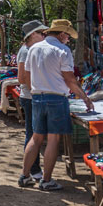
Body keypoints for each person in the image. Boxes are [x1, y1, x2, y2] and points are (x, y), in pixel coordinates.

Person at [17, 20, 93, 191]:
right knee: (53, 139)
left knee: (36, 138)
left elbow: (27, 78)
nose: (68, 39)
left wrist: (37, 90)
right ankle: (46, 180)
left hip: (37, 97)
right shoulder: (62, 50)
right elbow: (70, 79)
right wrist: (85, 98)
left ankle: (24, 176)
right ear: (61, 34)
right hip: (57, 99)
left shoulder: (34, 49)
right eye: (67, 35)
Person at [16, 20, 48, 181]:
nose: (44, 36)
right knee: (33, 134)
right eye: (42, 33)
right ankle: (33, 170)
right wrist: (36, 92)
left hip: (32, 96)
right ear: (33, 34)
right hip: (30, 97)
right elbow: (21, 77)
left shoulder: (32, 49)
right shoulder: (26, 51)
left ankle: (33, 170)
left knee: (35, 134)